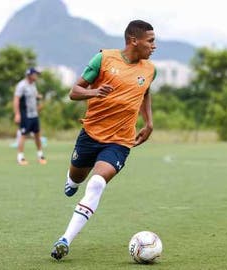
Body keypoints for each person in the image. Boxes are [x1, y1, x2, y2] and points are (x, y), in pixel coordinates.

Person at [50, 20, 157, 260]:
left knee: (97, 183)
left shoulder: (150, 69)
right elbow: (74, 91)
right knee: (77, 177)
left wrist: (149, 122)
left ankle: (65, 239)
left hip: (120, 141)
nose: (154, 46)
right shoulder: (104, 59)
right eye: (150, 41)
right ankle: (71, 181)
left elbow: (146, 91)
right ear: (133, 40)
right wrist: (93, 92)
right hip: (90, 135)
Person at [13, 67, 47, 165]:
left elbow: (34, 95)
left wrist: (38, 98)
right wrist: (17, 114)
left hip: (34, 115)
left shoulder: (33, 85)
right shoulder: (21, 85)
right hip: (25, 115)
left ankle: (40, 155)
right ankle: (20, 157)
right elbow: (16, 100)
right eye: (35, 74)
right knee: (23, 135)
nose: (36, 76)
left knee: (37, 134)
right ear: (29, 75)